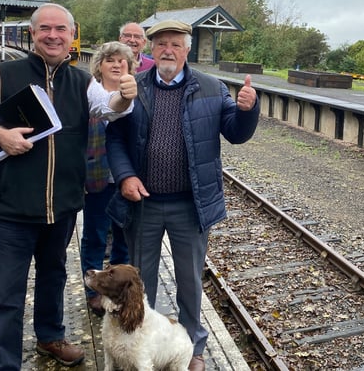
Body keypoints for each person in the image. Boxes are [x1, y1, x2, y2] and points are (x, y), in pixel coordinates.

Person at [0, 3, 137, 370]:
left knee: (53, 277)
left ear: (71, 36)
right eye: (45, 29)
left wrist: (125, 96)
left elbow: (108, 107)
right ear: (33, 34)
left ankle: (51, 337)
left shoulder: (83, 82)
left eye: (61, 30)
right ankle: (3, 365)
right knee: (5, 294)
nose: (53, 36)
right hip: (10, 207)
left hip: (63, 205)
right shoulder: (3, 74)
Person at [105, 19, 259, 371]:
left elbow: (235, 133)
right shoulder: (136, 87)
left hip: (190, 205)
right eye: (161, 44)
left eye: (175, 44)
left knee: (189, 280)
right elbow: (114, 138)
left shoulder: (211, 87)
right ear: (150, 48)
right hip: (142, 202)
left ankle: (192, 348)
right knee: (140, 282)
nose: (168, 50)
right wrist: (125, 177)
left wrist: (248, 111)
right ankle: (141, 344)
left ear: (187, 50)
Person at [81, 41, 137, 316]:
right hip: (97, 178)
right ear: (99, 66)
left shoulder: (135, 96)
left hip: (126, 179)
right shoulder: (89, 94)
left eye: (122, 61)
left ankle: (118, 289)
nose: (116, 65)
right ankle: (93, 290)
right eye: (110, 61)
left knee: (124, 236)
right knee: (95, 235)